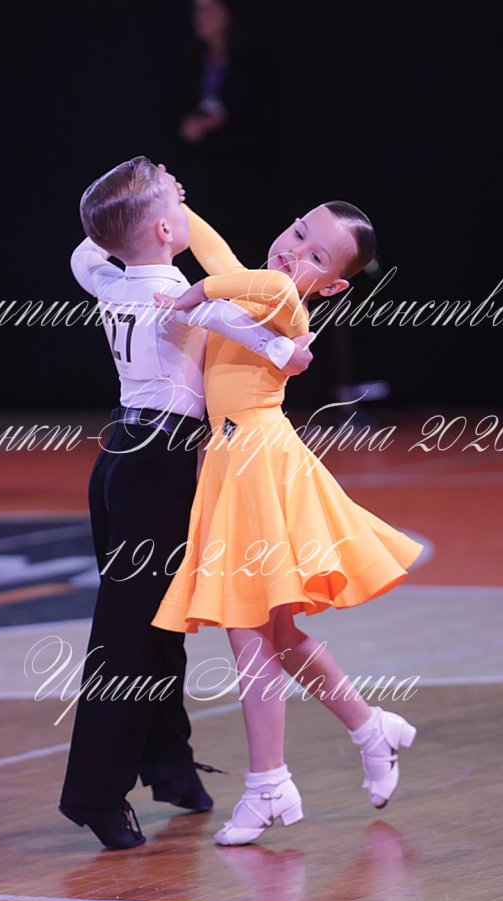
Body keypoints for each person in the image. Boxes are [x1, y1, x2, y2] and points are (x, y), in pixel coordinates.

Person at [59, 157, 313, 850]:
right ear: (168, 231)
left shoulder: (107, 276)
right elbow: (256, 333)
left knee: (159, 625)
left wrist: (133, 201)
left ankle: (169, 767)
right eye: (179, 204)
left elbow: (89, 248)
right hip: (157, 469)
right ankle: (94, 795)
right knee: (129, 635)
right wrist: (289, 350)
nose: (186, 207)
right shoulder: (180, 292)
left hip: (119, 461)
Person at [152, 200, 423, 845]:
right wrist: (174, 205)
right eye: (298, 232)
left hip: (257, 465)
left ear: (331, 287)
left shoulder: (281, 299)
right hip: (239, 459)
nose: (294, 250)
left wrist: (189, 297)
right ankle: (370, 728)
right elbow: (219, 257)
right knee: (275, 634)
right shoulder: (261, 288)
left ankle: (268, 784)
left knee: (250, 634)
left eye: (316, 255)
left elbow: (226, 278)